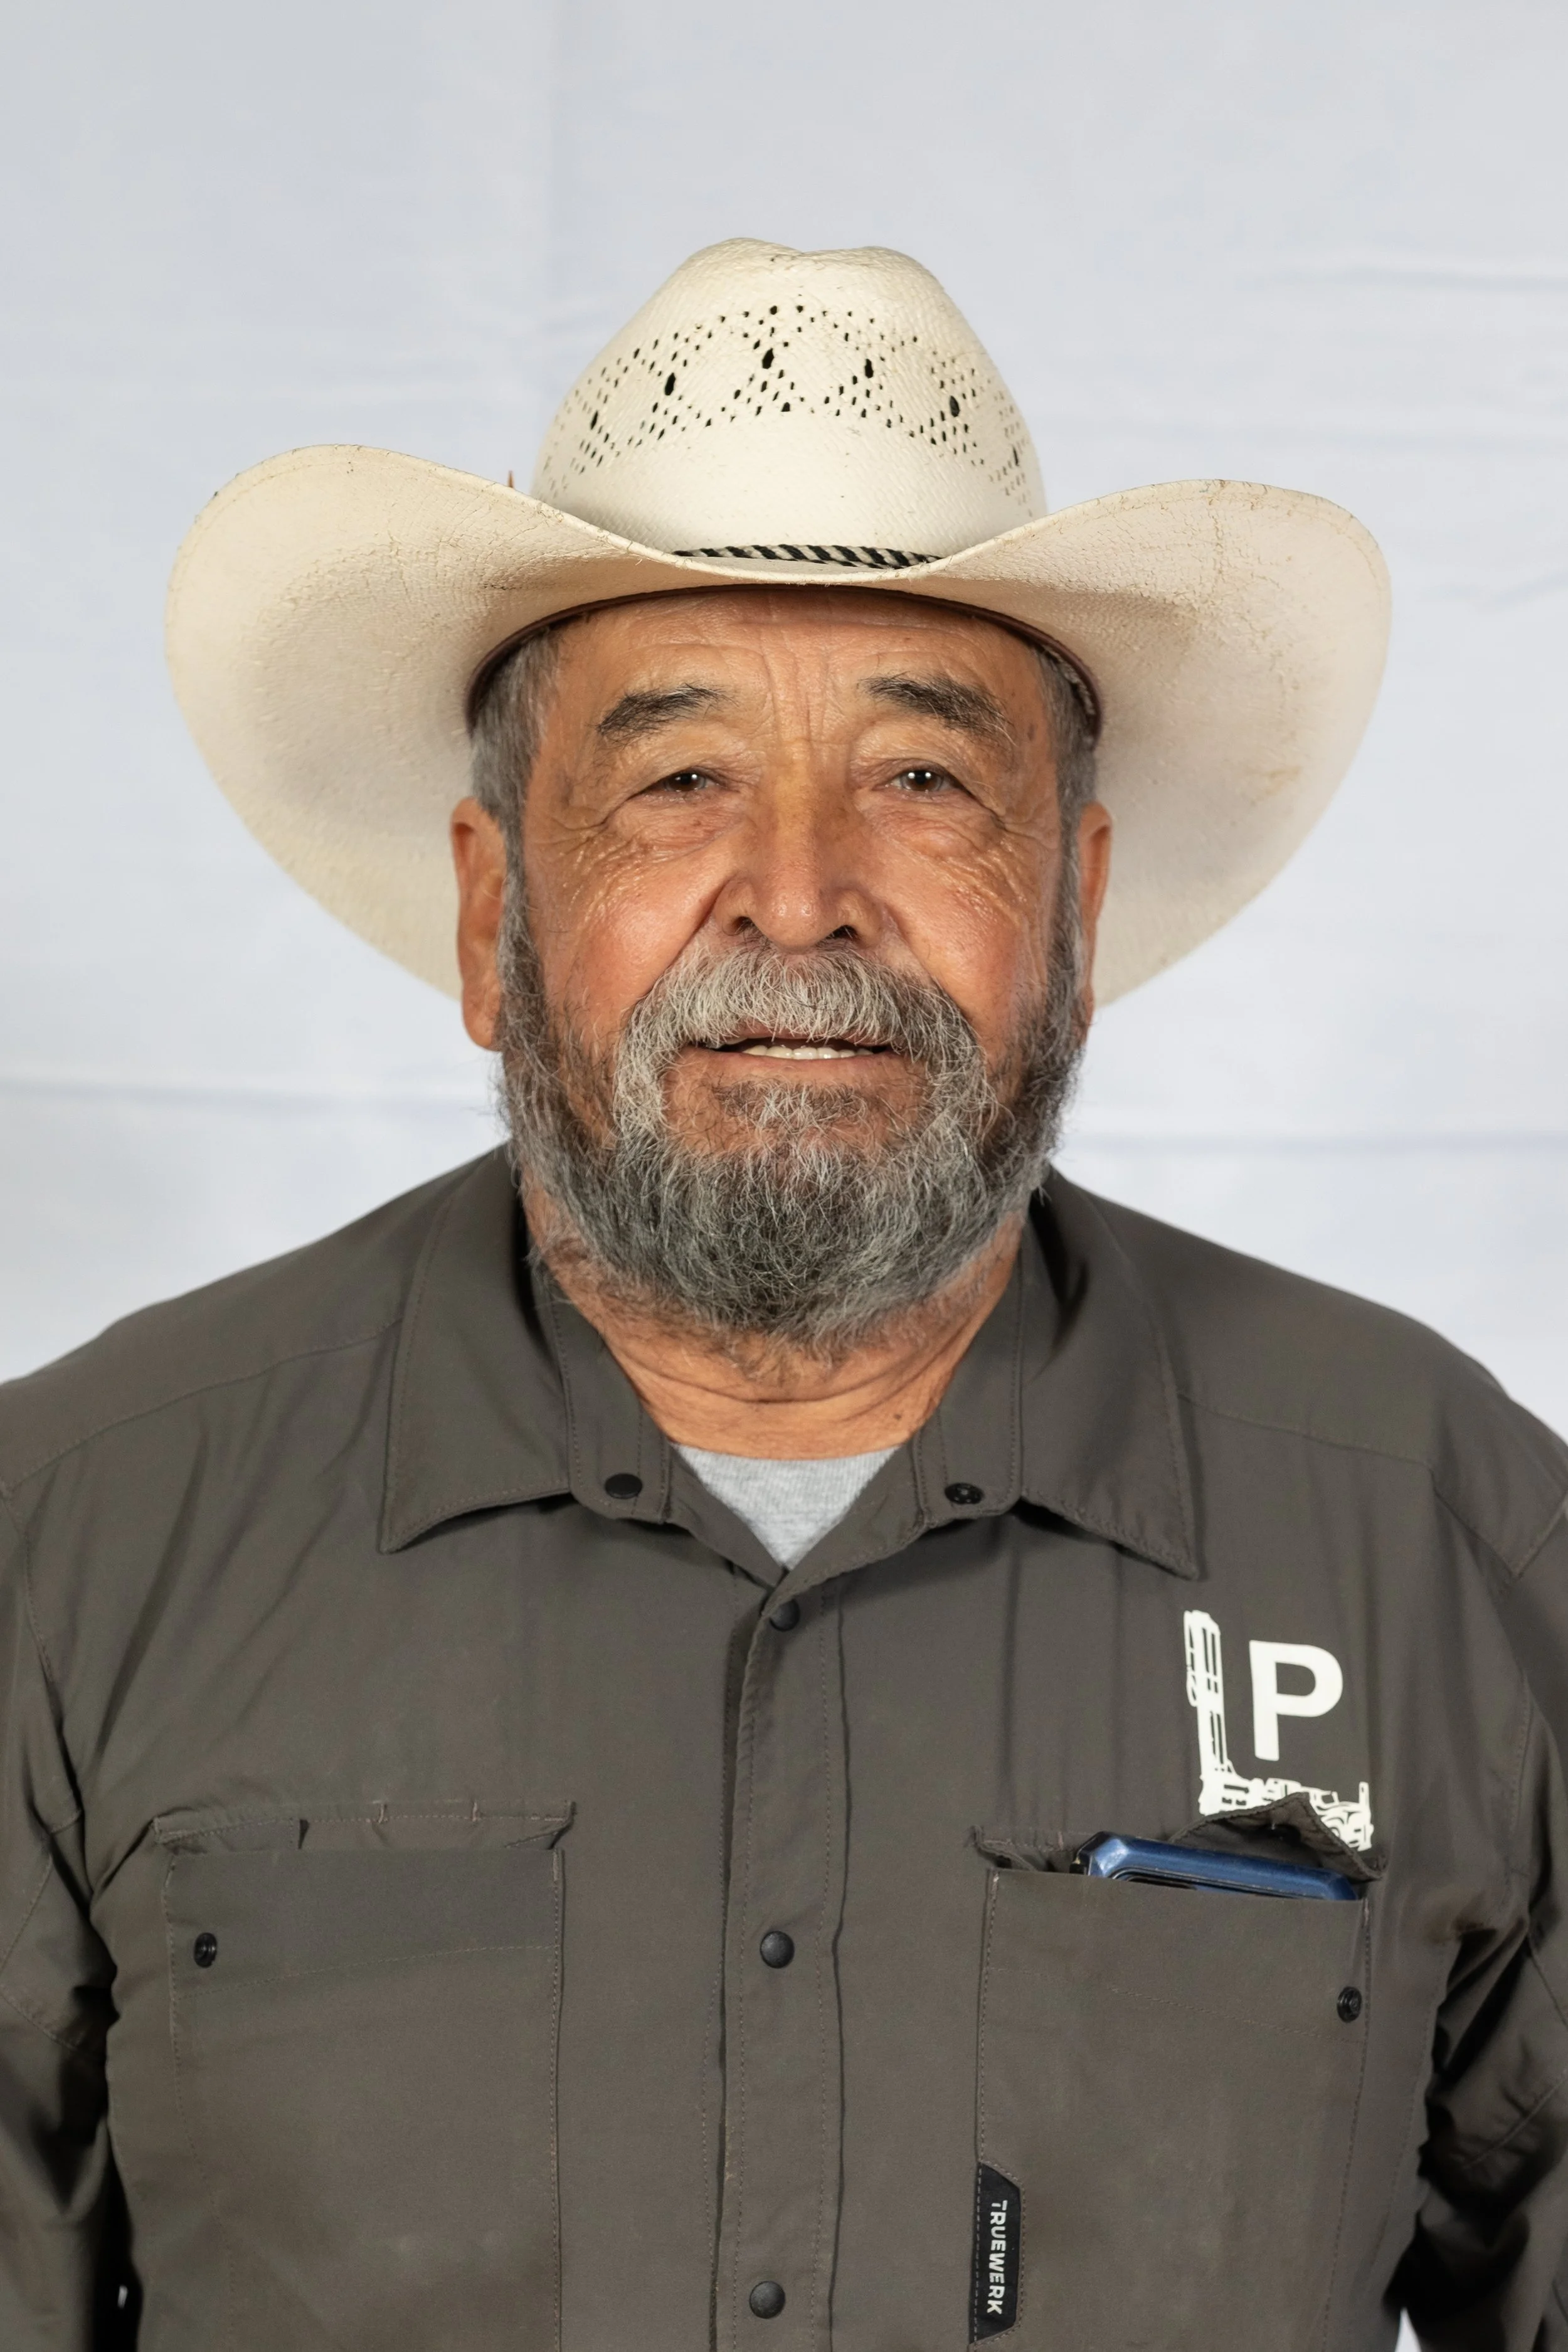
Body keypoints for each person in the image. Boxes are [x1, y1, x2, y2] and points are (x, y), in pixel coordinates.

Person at [3, 240, 1566, 2352]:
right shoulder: (76, 1543)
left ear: (1078, 910)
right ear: (493, 906)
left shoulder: (1445, 1540)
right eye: (676, 776)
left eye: (925, 778)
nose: (803, 890)